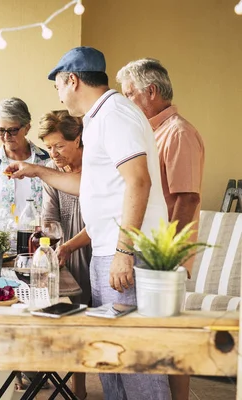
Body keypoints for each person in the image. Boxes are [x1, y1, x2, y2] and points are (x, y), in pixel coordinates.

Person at [5, 47, 170, 400]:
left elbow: (138, 181)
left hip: (126, 252)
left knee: (134, 362)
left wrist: (124, 251)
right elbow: (89, 187)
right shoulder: (98, 119)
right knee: (110, 362)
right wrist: (35, 170)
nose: (60, 96)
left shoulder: (115, 115)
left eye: (58, 87)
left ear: (73, 80)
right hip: (107, 252)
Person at [117, 58, 205, 400]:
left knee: (169, 343)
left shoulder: (178, 132)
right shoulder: (150, 132)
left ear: (150, 92)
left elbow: (187, 199)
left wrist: (164, 258)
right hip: (149, 254)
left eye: (129, 94)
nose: (125, 102)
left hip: (163, 260)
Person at [38, 110, 91, 400]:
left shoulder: (96, 166)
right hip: (67, 252)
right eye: (48, 147)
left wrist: (68, 245)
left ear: (78, 139)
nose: (53, 153)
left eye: (59, 145)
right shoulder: (50, 170)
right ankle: (78, 387)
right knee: (77, 318)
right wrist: (50, 239)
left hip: (99, 248)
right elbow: (50, 219)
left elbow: (104, 221)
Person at [0, 98, 49, 232]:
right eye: (1, 130)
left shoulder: (48, 162)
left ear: (27, 128)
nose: (6, 136)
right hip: (0, 251)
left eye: (13, 130)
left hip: (39, 246)